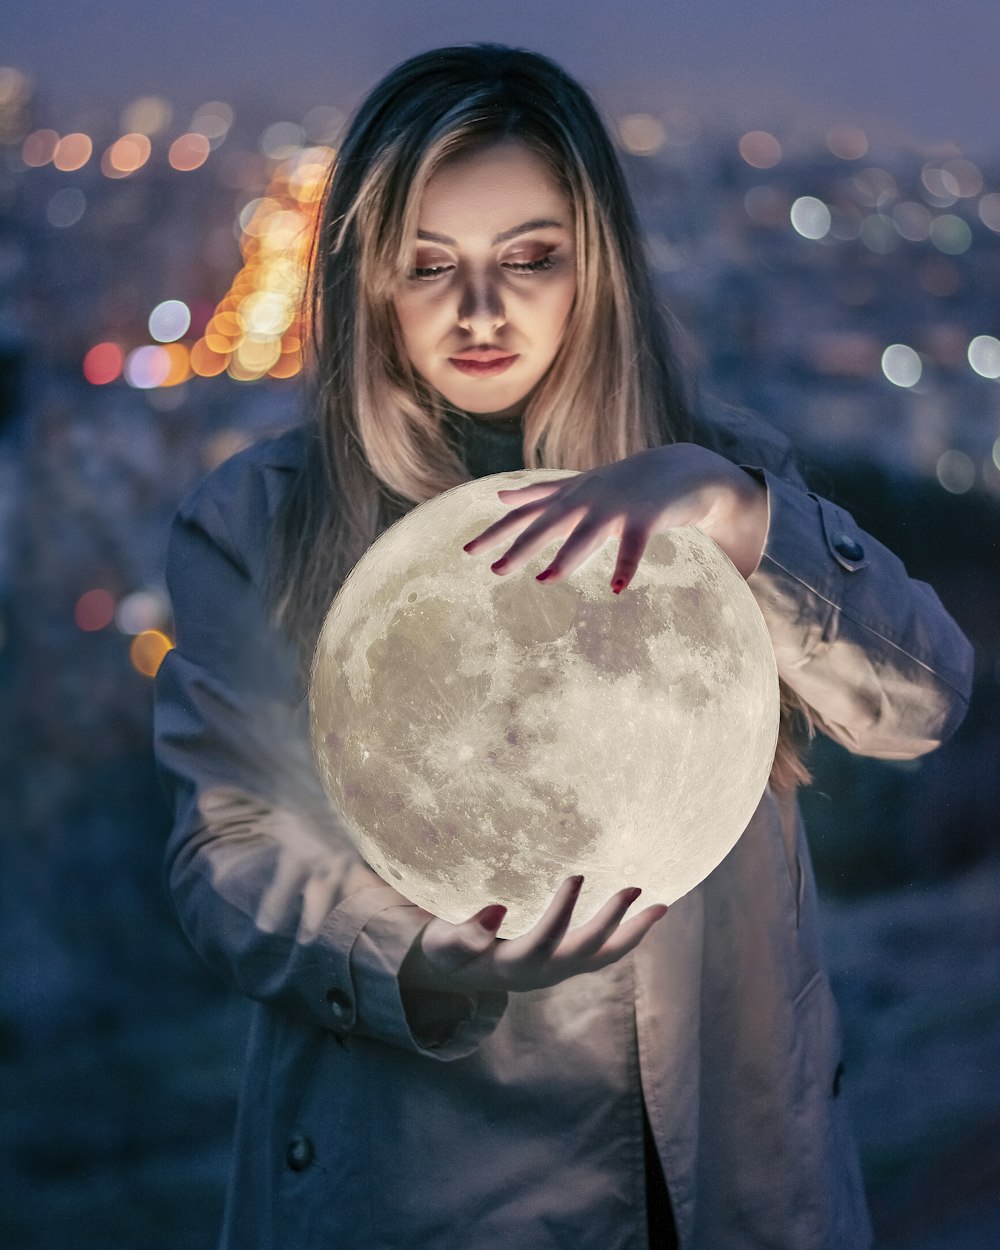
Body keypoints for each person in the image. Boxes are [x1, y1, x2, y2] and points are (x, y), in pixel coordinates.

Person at [153, 44, 973, 1250]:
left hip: (730, 1171)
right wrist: (426, 955)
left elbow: (922, 701)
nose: (480, 310)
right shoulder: (261, 525)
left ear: (597, 270)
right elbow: (227, 860)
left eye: (529, 257)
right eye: (429, 265)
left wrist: (752, 523)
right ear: (366, 280)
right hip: (427, 1170)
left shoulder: (718, 480)